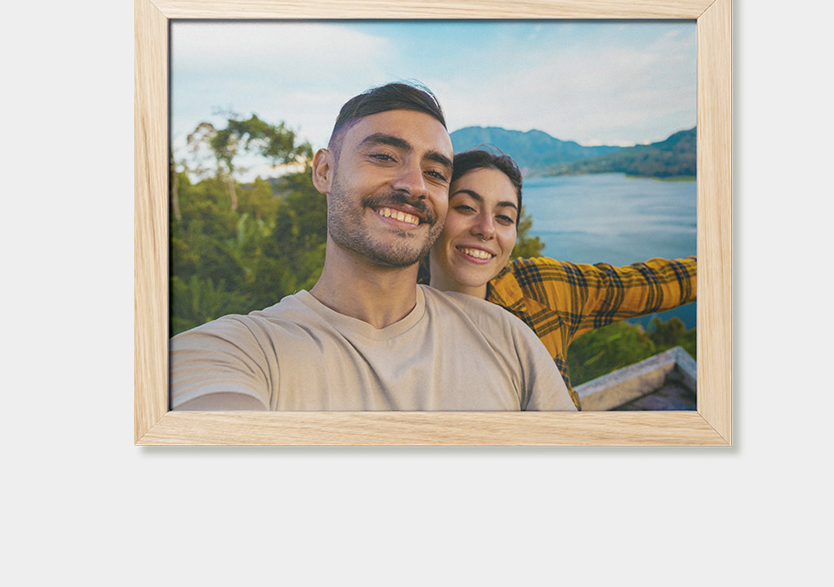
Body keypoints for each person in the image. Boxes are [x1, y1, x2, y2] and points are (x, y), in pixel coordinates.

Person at [170, 83, 575, 412]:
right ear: (325, 170)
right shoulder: (240, 352)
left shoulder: (504, 337)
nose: (414, 185)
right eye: (383, 156)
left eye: (434, 173)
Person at [427, 148, 697, 409]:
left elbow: (647, 284)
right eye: (465, 207)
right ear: (434, 212)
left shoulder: (540, 289)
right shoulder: (394, 311)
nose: (487, 229)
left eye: (504, 217)